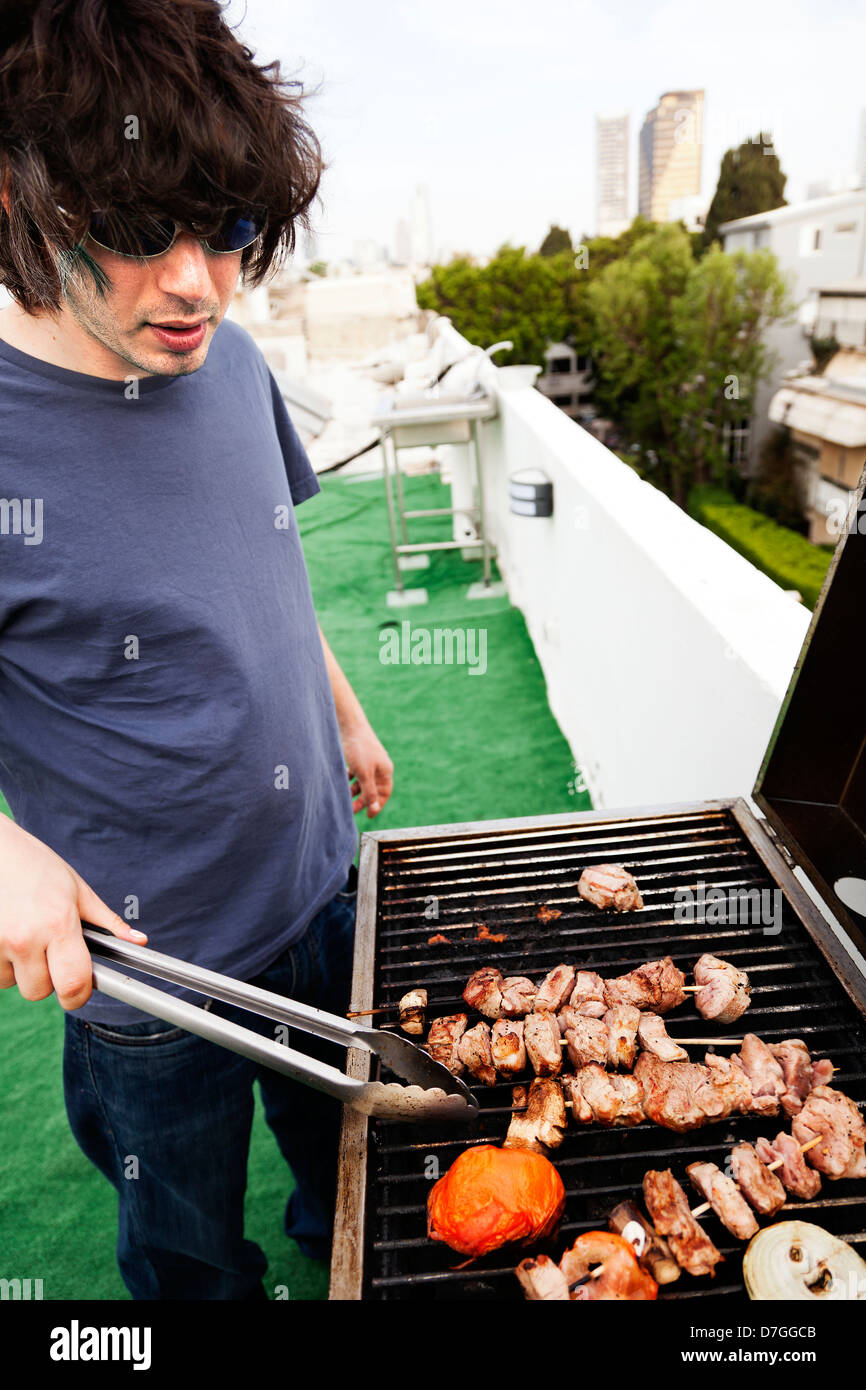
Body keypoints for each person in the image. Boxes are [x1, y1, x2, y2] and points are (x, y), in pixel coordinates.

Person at [0, 0, 393, 1299]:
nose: (195, 282)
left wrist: (338, 710)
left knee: (348, 1171)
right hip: (155, 985)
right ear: (21, 194)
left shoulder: (228, 364)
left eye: (227, 231)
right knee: (184, 1253)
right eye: (134, 229)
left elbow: (266, 564)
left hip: (321, 889)